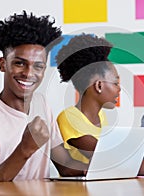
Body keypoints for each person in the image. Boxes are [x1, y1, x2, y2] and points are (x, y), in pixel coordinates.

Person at [0, 11, 87, 187]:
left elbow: (66, 167)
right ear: (3, 64)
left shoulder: (41, 104)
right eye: (19, 63)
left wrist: (115, 166)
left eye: (38, 66)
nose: (29, 73)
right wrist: (25, 148)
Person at [55, 33, 121, 164]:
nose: (119, 89)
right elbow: (108, 157)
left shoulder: (101, 116)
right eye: (115, 83)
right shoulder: (69, 118)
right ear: (99, 86)